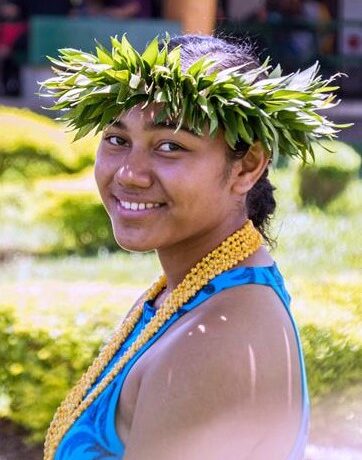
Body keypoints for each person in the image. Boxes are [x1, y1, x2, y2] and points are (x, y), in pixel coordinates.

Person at [40, 33, 345, 459]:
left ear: (248, 167)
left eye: (170, 146)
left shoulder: (215, 340)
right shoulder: (189, 294)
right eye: (117, 139)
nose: (129, 173)